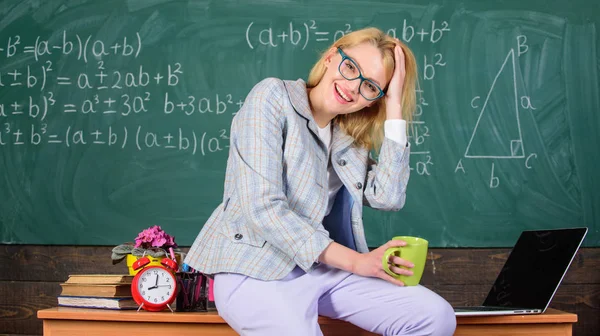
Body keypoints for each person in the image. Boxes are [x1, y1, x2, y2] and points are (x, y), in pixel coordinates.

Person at [184, 27, 456, 336]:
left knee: (435, 317)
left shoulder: (349, 138)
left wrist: (394, 106)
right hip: (254, 268)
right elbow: (263, 209)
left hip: (321, 270)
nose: (353, 87)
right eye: (351, 67)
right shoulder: (272, 97)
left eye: (370, 87)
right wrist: (357, 262)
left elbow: (388, 197)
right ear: (330, 57)